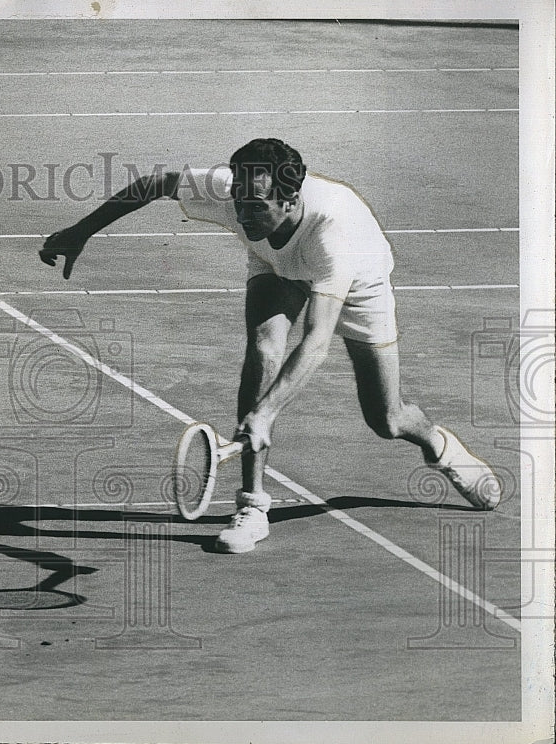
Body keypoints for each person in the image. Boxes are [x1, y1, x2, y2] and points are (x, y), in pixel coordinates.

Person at [39, 137, 501, 553]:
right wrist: (81, 231)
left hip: (359, 284)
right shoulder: (236, 192)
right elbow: (156, 183)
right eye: (238, 201)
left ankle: (441, 447)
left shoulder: (333, 237)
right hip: (273, 262)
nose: (242, 213)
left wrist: (266, 413)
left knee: (387, 418)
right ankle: (253, 504)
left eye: (256, 206)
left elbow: (317, 341)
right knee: (262, 350)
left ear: (290, 199)